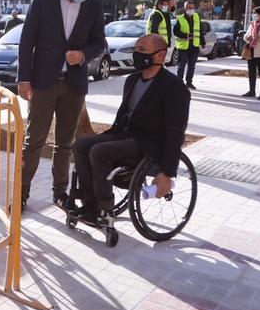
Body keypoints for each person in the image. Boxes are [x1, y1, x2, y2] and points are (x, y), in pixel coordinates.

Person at [70, 34, 190, 224]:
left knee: (100, 152)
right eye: (135, 49)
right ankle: (90, 204)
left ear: (160, 56)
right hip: (124, 134)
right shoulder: (132, 80)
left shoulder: (174, 87)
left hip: (149, 144)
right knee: (80, 145)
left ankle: (104, 208)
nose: (136, 54)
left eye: (142, 50)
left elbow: (176, 131)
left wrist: (167, 173)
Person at [17, 0, 107, 210]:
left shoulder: (93, 6)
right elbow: (27, 42)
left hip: (74, 85)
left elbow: (100, 43)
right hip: (43, 83)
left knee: (65, 143)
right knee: (33, 141)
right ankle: (20, 193)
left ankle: (59, 193)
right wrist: (24, 79)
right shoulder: (43, 1)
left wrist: (83, 55)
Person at [173, 0, 203, 90]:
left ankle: (189, 82)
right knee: (181, 65)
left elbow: (200, 29)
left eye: (192, 8)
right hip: (183, 46)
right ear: (185, 8)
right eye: (189, 8)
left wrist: (202, 41)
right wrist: (185, 36)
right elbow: (176, 31)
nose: (191, 9)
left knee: (192, 66)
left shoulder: (197, 16)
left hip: (194, 46)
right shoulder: (180, 18)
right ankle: (179, 83)